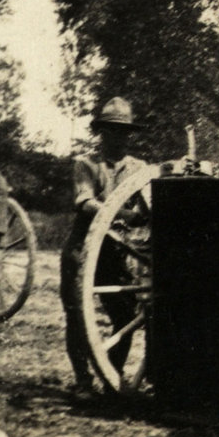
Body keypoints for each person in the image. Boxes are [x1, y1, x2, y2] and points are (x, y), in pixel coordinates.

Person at [59, 96, 149, 395]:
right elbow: (84, 203)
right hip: (80, 247)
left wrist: (146, 214)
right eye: (113, 131)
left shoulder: (138, 168)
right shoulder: (86, 164)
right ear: (102, 133)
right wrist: (124, 214)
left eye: (124, 132)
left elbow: (147, 206)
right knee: (77, 316)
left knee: (125, 315)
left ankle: (111, 372)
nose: (119, 137)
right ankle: (83, 381)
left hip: (113, 252)